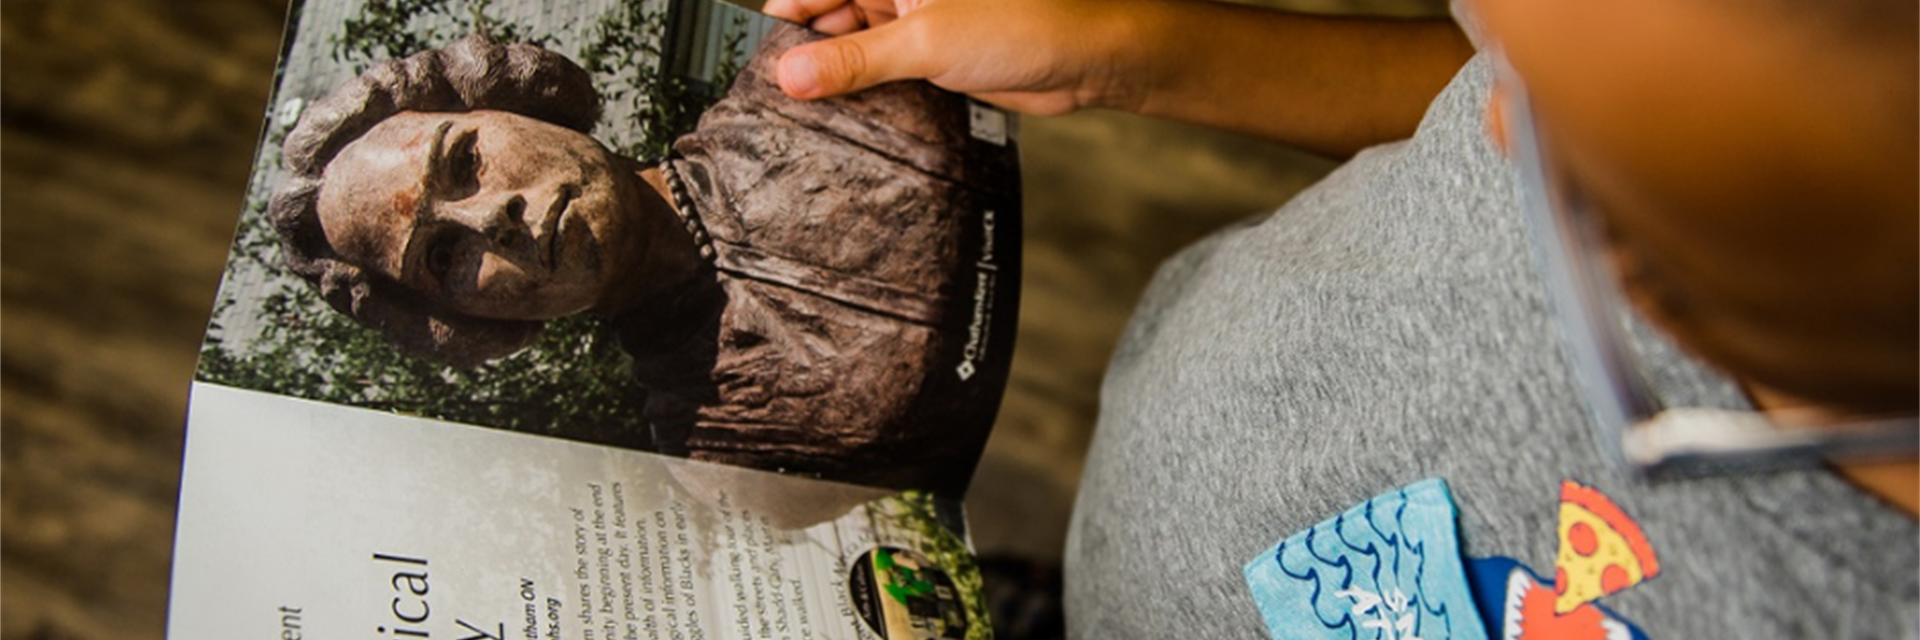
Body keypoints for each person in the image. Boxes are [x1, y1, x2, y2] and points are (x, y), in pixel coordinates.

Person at [761, 0, 1920, 636]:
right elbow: (1466, 97)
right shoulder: (1751, 125)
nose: (1495, 131)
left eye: (1584, 180)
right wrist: (1122, 54)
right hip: (1117, 558)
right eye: (1504, 42)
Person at [268, 27, 1022, 496]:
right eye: (441, 254)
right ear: (464, 320)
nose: (487, 219)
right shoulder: (716, 456)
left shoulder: (819, 71)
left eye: (464, 161)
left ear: (509, 102)